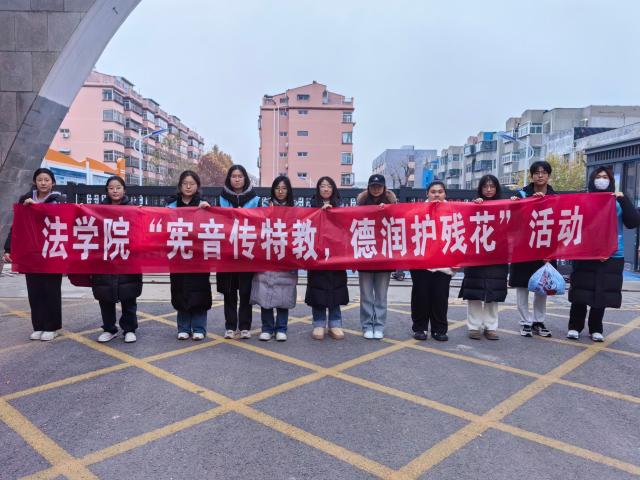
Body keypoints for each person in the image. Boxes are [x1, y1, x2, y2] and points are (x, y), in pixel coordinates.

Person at [567, 167, 640, 341]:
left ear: (611, 181)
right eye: (598, 177)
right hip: (586, 253)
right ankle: (575, 326)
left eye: (605, 177)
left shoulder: (617, 201)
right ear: (592, 180)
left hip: (612, 254)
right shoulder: (584, 200)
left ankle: (596, 328)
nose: (601, 179)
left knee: (602, 291)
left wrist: (623, 199)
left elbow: (633, 222)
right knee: (581, 290)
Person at [3, 168, 65, 341]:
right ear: (34, 182)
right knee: (34, 290)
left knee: (51, 290)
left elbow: (59, 217)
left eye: (47, 180)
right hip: (31, 252)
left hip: (52, 251)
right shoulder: (25, 199)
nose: (43, 183)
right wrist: (9, 248)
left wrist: (36, 208)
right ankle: (38, 326)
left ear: (53, 183)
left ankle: (51, 327)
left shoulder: (60, 199)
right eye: (40, 180)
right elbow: (17, 225)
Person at [92, 176, 142, 343]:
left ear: (124, 190)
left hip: (127, 258)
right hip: (105, 259)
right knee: (105, 296)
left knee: (129, 296)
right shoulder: (97, 210)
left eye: (118, 187)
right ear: (107, 190)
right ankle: (109, 329)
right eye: (111, 188)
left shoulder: (133, 209)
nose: (115, 191)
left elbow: (139, 232)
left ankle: (129, 329)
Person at [509, 161, 556, 338]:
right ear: (531, 176)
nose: (540, 175)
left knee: (542, 288)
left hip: (545, 250)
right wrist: (519, 203)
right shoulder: (521, 195)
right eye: (536, 172)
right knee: (522, 288)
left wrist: (552, 252)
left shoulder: (556, 197)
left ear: (549, 175)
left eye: (544, 172)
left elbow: (558, 224)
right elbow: (513, 220)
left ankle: (538, 321)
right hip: (523, 248)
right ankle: (525, 322)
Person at [459, 175, 508, 340]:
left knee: (493, 293)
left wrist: (515, 203)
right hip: (476, 255)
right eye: (485, 186)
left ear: (497, 188)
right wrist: (474, 207)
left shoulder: (505, 206)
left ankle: (490, 327)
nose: (488, 190)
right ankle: (473, 327)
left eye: (492, 186)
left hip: (497, 256)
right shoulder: (474, 205)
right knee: (474, 292)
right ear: (480, 188)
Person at [250, 176, 298, 342]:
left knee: (284, 292)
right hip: (267, 255)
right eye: (277, 188)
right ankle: (267, 328)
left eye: (284, 188)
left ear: (288, 190)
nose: (280, 191)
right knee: (265, 291)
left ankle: (281, 328)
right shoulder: (264, 207)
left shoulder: (295, 210)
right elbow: (256, 228)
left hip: (286, 257)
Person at [166, 171, 212, 340]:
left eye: (191, 183)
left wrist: (207, 211)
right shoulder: (170, 206)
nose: (188, 186)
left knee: (199, 291)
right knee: (180, 290)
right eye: (185, 183)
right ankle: (183, 327)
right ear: (180, 186)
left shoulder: (204, 205)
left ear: (197, 186)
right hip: (178, 254)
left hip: (198, 256)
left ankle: (199, 328)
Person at [217, 164, 260, 339]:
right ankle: (230, 326)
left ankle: (244, 326)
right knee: (229, 291)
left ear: (245, 179)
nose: (237, 179)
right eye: (234, 176)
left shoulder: (255, 200)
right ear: (229, 179)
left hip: (247, 252)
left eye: (240, 176)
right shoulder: (221, 199)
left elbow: (260, 223)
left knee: (245, 291)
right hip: (227, 253)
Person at [410, 181, 455, 341]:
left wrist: (457, 261)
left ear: (445, 194)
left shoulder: (453, 211)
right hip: (421, 261)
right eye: (433, 191)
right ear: (427, 194)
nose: (437, 194)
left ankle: (439, 329)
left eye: (440, 191)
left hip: (444, 262)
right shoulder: (417, 211)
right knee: (420, 296)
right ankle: (419, 328)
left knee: (440, 297)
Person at [305, 176, 349, 340]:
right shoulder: (310, 207)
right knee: (317, 289)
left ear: (333, 189)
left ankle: (335, 323)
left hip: (336, 255)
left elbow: (347, 229)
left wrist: (333, 213)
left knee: (336, 288)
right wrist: (319, 213)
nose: (325, 189)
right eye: (322, 186)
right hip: (317, 255)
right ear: (318, 189)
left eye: (329, 186)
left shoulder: (341, 208)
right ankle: (318, 323)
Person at [356, 174, 396, 339]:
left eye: (379, 186)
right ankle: (367, 325)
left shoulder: (392, 204)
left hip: (384, 256)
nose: (376, 189)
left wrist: (388, 211)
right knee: (366, 295)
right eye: (373, 186)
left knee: (380, 295)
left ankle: (379, 325)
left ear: (384, 187)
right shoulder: (360, 204)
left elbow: (399, 226)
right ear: (368, 187)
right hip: (365, 254)